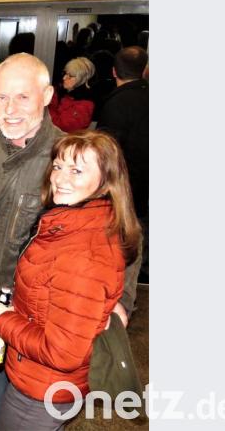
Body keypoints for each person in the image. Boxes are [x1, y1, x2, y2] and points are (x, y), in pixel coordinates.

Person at [0, 53, 138, 431]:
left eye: (22, 97)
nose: (10, 109)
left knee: (6, 402)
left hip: (26, 317)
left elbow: (122, 232)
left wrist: (121, 303)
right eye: (1, 98)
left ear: (47, 96)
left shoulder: (68, 158)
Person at [0, 130, 142, 430]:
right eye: (58, 166)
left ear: (106, 181)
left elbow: (62, 352)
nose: (60, 178)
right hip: (47, 384)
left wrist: (2, 319)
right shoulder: (79, 221)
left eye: (77, 170)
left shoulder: (83, 253)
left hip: (42, 391)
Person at [97, 46, 149, 283]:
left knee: (120, 250)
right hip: (146, 192)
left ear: (114, 71)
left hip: (122, 192)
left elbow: (105, 154)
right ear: (145, 70)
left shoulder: (115, 105)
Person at [48, 57, 96, 132]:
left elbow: (60, 126)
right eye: (65, 73)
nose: (64, 78)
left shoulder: (84, 104)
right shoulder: (62, 91)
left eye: (69, 76)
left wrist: (48, 107)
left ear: (80, 80)